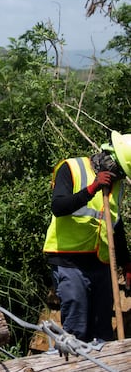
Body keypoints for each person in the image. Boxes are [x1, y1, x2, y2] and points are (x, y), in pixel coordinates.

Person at [44, 131, 131, 344]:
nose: (119, 177)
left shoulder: (116, 187)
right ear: (111, 161)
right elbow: (59, 207)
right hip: (68, 259)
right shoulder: (71, 168)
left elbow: (115, 225)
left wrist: (127, 263)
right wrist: (91, 189)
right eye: (119, 171)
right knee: (76, 329)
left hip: (100, 262)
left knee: (102, 332)